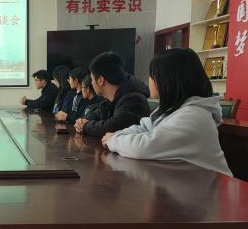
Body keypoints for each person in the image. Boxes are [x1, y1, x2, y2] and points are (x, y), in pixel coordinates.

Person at [103, 48, 232, 175]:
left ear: (167, 79)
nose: (149, 80)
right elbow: (144, 127)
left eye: (151, 75)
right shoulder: (172, 110)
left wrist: (114, 140)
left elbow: (146, 147)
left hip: (213, 187)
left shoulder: (194, 116)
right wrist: (117, 136)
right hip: (187, 182)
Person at [74, 52, 150, 137]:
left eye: (92, 79)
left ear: (100, 80)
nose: (91, 83)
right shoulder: (113, 98)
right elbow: (98, 113)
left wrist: (85, 126)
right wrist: (82, 121)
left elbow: (113, 127)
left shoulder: (134, 100)